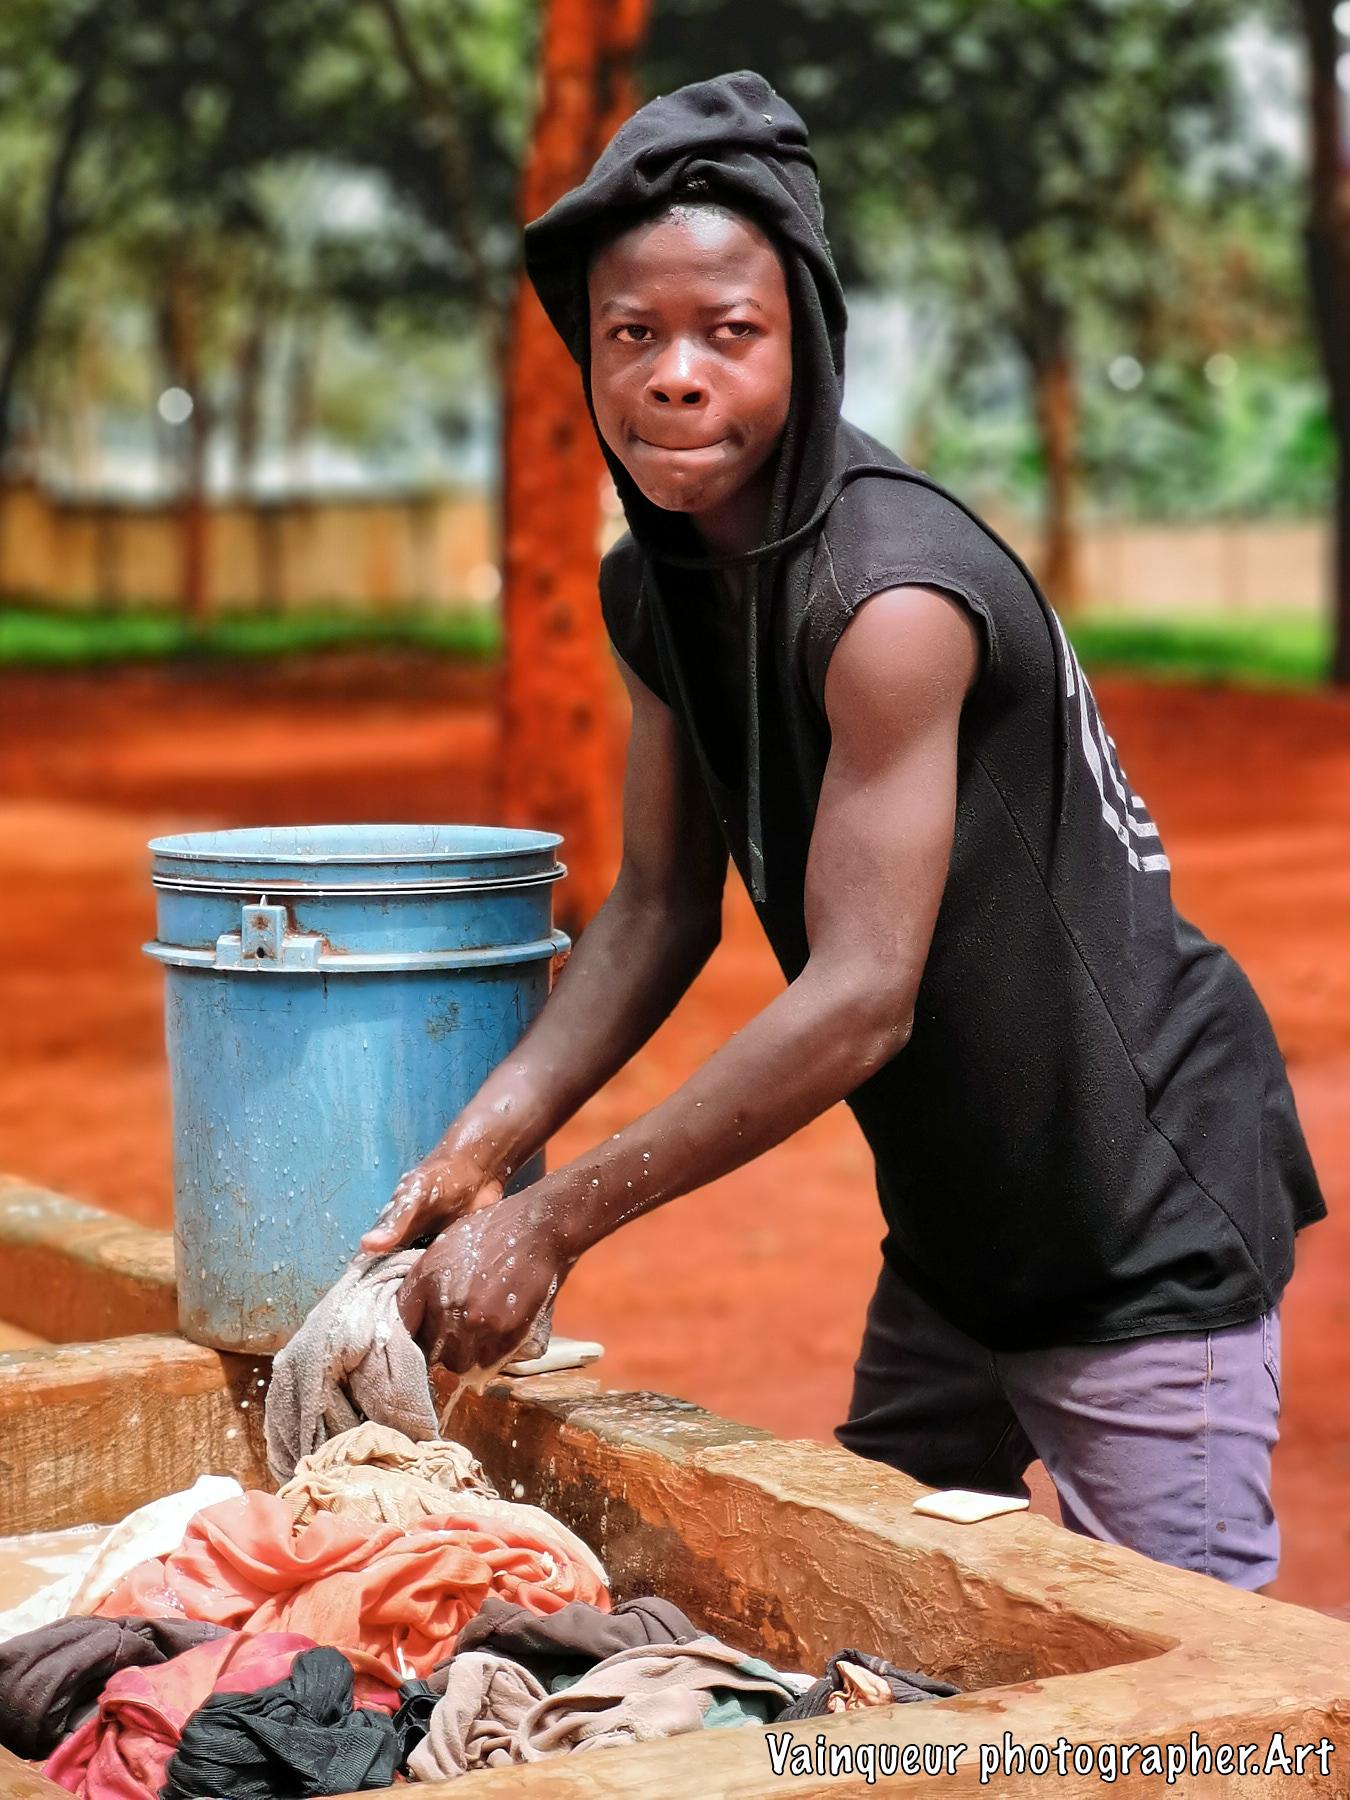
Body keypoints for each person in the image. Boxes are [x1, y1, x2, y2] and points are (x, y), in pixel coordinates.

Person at [362, 71, 1324, 1588]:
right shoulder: (658, 588)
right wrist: (476, 1154)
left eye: (728, 333)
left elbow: (864, 996)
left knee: (1196, 1674)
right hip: (955, 1226)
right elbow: (657, 908)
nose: (676, 376)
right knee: (872, 1619)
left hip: (1131, 1214)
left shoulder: (890, 601)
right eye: (632, 334)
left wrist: (554, 1224)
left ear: (804, 342)